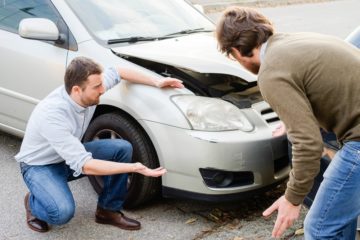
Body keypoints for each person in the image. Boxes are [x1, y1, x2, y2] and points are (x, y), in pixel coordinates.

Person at [215, 6, 360, 239]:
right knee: (337, 216)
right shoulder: (295, 41)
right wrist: (294, 121)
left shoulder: (271, 71)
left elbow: (307, 143)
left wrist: (293, 198)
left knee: (320, 227)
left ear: (236, 52)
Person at [15, 56, 184, 233]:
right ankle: (34, 202)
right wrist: (134, 167)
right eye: (97, 87)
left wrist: (157, 82)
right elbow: (86, 166)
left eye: (102, 83)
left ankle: (107, 211)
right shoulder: (52, 115)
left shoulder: (89, 86)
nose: (103, 89)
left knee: (122, 148)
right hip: (39, 166)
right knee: (62, 212)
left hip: (66, 157)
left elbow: (119, 71)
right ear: (77, 90)